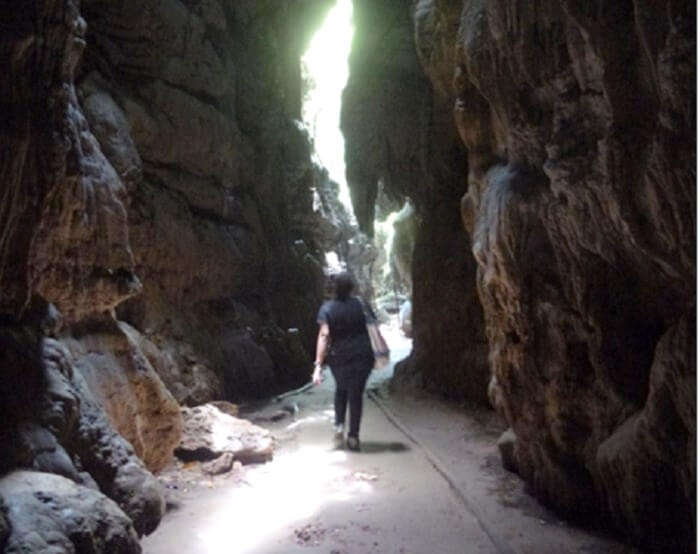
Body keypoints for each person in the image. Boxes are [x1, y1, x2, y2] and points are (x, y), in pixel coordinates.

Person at [312, 272, 376, 451]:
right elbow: (373, 326)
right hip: (363, 356)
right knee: (356, 394)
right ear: (351, 287)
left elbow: (324, 335)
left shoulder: (327, 308)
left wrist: (318, 364)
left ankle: (339, 425)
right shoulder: (361, 304)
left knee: (341, 388)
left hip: (339, 358)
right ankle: (353, 436)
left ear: (334, 288)